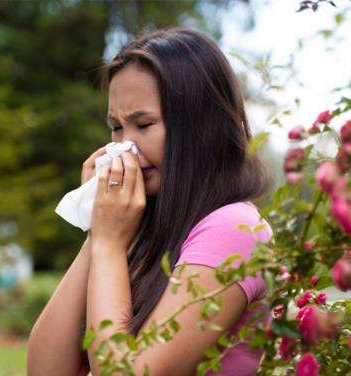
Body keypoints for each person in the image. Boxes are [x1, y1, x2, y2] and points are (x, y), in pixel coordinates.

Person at [27, 27, 274, 376]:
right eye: (116, 127)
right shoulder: (144, 230)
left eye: (142, 124)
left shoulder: (233, 230)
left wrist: (110, 247)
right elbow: (44, 370)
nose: (123, 148)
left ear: (199, 127)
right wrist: (98, 235)